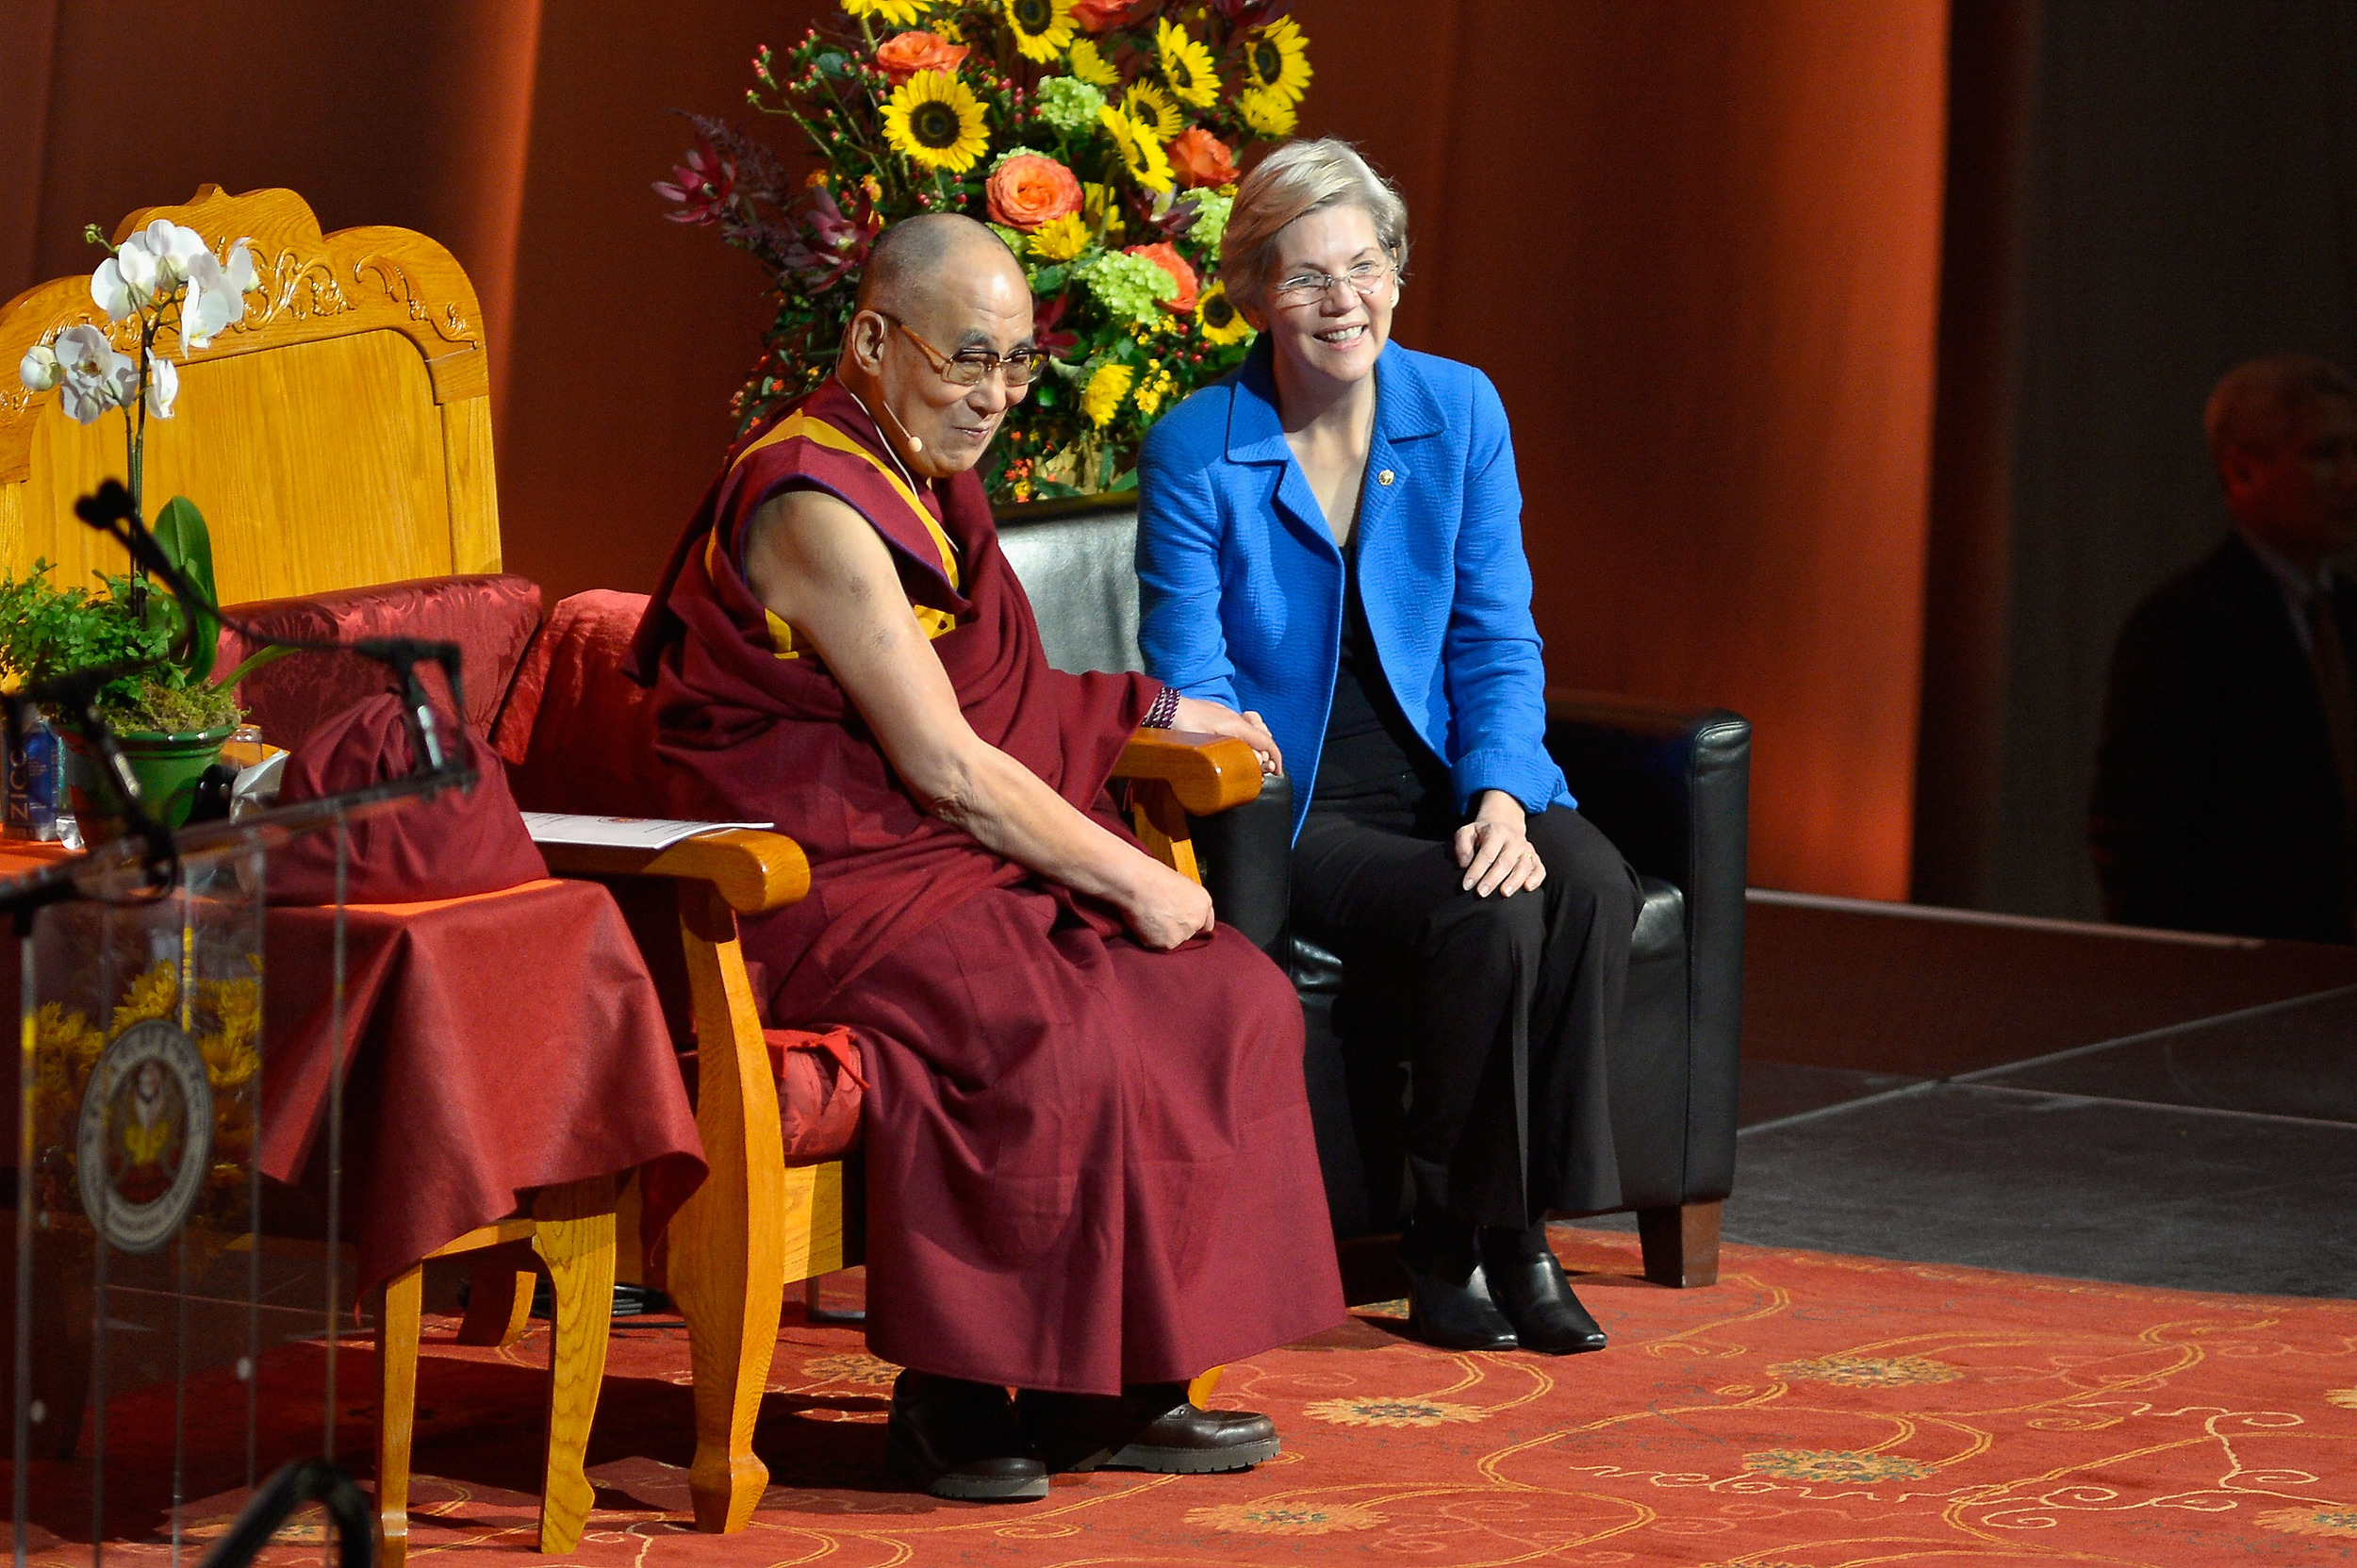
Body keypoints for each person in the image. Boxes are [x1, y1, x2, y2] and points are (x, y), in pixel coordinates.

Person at [629, 214, 1344, 1503]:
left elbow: (993, 690)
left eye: (1017, 364)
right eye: (968, 358)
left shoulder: (916, 478)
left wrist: (1158, 708)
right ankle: (950, 1399)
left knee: (1222, 991)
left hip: (928, 860)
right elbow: (947, 762)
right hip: (813, 881)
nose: (995, 396)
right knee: (1051, 1028)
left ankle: (1117, 1382)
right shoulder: (811, 502)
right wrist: (1133, 873)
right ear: (871, 338)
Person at [1135, 140, 1638, 1358]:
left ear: (1397, 277)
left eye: (1363, 267)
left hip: (1447, 779)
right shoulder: (1201, 442)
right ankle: (1455, 1245)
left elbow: (1495, 634)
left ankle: (1508, 1225)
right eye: (1306, 276)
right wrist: (1210, 717)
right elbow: (1183, 663)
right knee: (1488, 919)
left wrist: (1506, 795)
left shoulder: (1457, 408)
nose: (1341, 299)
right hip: (1302, 807)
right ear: (1256, 292)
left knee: (1587, 881)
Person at [2090, 354, 2357, 944]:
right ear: (2241, 475)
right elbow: (2141, 847)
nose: (2351, 478)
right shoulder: (2182, 627)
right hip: (2250, 985)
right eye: (2323, 455)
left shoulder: (2347, 616)